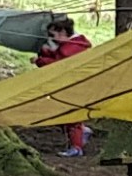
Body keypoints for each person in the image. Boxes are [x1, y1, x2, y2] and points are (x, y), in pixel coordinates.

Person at [35, 15, 94, 154]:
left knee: (72, 117)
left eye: (53, 35)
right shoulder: (70, 46)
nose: (52, 39)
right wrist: (44, 52)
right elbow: (57, 56)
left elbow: (59, 64)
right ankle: (81, 134)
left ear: (62, 32)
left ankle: (76, 148)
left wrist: (40, 61)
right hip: (71, 85)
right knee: (65, 114)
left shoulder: (73, 48)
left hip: (76, 87)